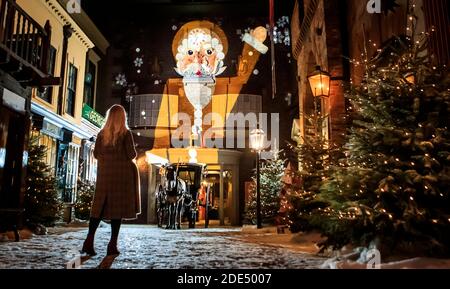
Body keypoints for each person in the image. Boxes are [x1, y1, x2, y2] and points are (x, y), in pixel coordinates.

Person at [81, 105, 141, 256]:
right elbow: (131, 154)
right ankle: (112, 244)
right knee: (117, 211)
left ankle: (89, 240)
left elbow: (95, 154)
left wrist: (107, 161)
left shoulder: (102, 134)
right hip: (121, 176)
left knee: (98, 208)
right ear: (123, 118)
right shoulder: (126, 134)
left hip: (105, 176)